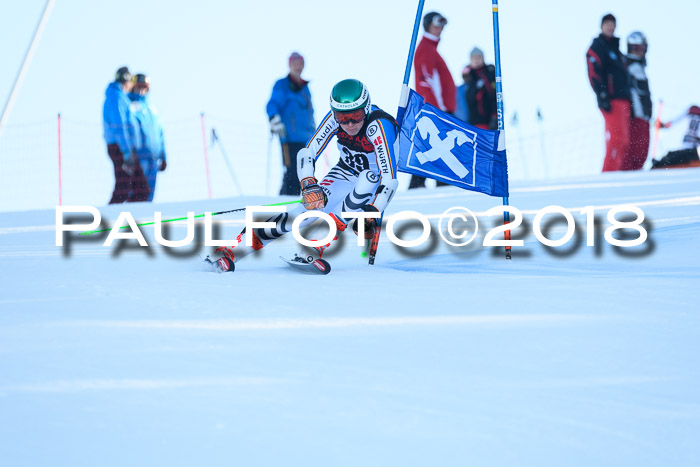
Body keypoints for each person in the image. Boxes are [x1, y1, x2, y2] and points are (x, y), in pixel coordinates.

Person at [207, 79, 399, 273]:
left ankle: (314, 246)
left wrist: (373, 211)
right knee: (304, 215)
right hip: (344, 173)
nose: (349, 123)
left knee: (368, 179)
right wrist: (308, 184)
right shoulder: (333, 119)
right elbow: (307, 152)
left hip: (375, 185)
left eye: (356, 116)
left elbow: (389, 179)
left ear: (366, 109)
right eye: (342, 117)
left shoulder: (379, 126)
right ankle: (234, 248)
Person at [410, 11, 456, 189]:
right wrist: (436, 110)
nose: (440, 30)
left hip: (436, 109)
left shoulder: (430, 49)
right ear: (428, 25)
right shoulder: (426, 50)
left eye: (442, 26)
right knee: (437, 147)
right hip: (435, 110)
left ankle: (424, 184)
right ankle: (429, 184)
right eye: (437, 26)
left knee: (432, 147)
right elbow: (426, 83)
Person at [586, 13, 632, 172]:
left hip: (624, 99)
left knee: (625, 140)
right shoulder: (598, 47)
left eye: (613, 24)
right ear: (601, 26)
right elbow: (594, 73)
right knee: (616, 139)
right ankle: (609, 174)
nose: (610, 27)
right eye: (607, 23)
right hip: (611, 100)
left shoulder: (617, 51)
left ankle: (620, 172)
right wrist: (602, 94)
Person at [266, 52, 315, 196]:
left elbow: (310, 113)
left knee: (304, 172)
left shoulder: (305, 88)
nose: (298, 67)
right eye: (295, 64)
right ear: (289, 65)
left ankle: (296, 201)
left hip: (306, 138)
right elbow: (273, 103)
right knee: (291, 171)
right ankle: (284, 201)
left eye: (300, 64)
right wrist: (274, 119)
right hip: (289, 137)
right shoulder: (282, 85)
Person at [103, 66, 140, 204]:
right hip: (119, 146)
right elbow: (120, 127)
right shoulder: (116, 98)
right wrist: (126, 152)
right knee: (123, 184)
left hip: (121, 146)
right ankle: (110, 215)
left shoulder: (120, 97)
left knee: (129, 184)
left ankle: (127, 213)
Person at [128, 73, 167, 201]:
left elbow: (160, 133)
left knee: (149, 193)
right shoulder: (130, 106)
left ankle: (147, 218)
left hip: (154, 158)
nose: (141, 90)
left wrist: (163, 156)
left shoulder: (152, 109)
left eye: (144, 88)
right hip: (139, 157)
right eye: (138, 87)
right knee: (137, 191)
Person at [622, 31, 652, 171]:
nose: (638, 52)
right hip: (635, 118)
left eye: (640, 48)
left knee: (642, 153)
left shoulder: (639, 67)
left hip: (644, 117)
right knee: (633, 153)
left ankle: (636, 177)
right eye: (634, 48)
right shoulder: (627, 66)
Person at [463, 47, 498, 130]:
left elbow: (494, 96)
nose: (476, 60)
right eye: (474, 58)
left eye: (479, 57)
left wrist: (495, 116)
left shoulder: (488, 74)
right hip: (470, 122)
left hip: (486, 121)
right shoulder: (469, 77)